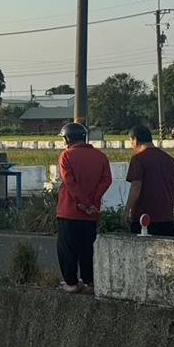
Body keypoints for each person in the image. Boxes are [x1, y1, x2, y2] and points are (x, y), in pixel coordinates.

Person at [55, 122, 112, 293]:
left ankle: (71, 283)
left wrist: (83, 203)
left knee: (67, 249)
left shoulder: (66, 156)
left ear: (67, 138)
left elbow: (70, 183)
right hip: (91, 214)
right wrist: (93, 203)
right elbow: (106, 180)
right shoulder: (100, 156)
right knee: (87, 248)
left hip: (69, 211)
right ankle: (89, 281)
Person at [125, 125, 174, 237]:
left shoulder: (138, 159)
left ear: (135, 140)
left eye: (131, 141)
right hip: (166, 218)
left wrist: (127, 209)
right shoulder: (169, 159)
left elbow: (136, 187)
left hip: (143, 218)